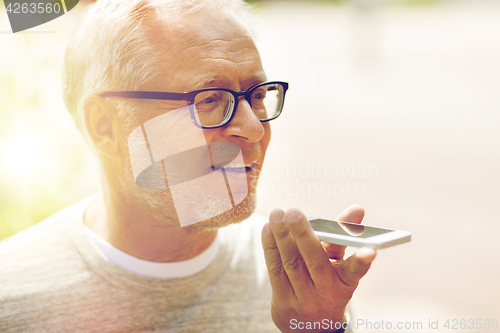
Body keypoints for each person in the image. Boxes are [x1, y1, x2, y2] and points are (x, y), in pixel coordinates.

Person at [0, 0, 376, 332]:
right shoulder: (12, 298)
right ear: (106, 127)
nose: (254, 129)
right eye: (209, 99)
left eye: (257, 95)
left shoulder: (296, 281)